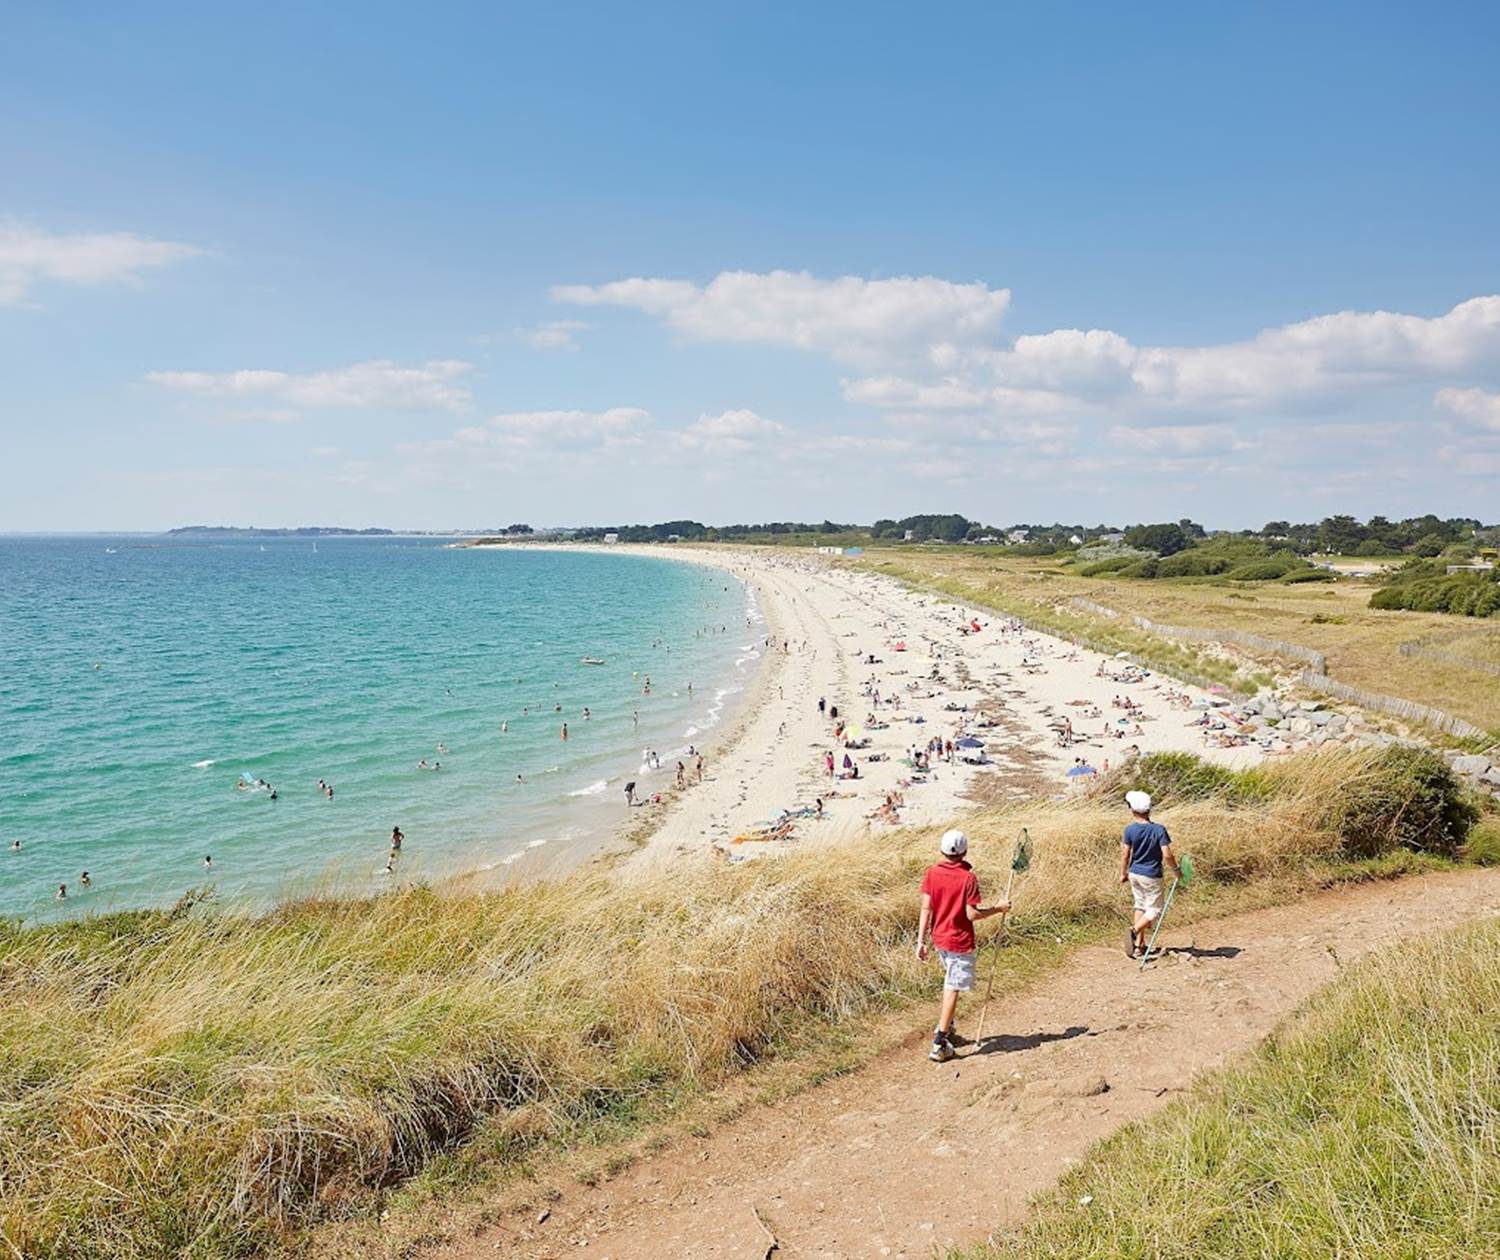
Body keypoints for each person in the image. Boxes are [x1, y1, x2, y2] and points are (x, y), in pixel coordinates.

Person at [916, 829, 1010, 1062]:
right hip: (959, 941)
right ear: (965, 851)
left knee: (951, 982)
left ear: (941, 851)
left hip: (939, 938)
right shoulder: (968, 878)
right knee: (952, 988)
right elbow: (972, 915)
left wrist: (921, 941)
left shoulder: (932, 873)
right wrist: (998, 909)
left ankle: (948, 1027)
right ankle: (939, 1042)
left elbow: (926, 908)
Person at [1120, 790, 1180, 958]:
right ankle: (1134, 931)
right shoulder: (1159, 830)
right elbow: (1167, 854)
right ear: (1149, 810)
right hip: (1152, 875)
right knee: (1154, 909)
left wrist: (1123, 873)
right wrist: (1176, 871)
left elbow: (1125, 854)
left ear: (1132, 810)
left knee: (1140, 905)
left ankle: (1139, 946)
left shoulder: (1129, 829)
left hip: (1134, 873)